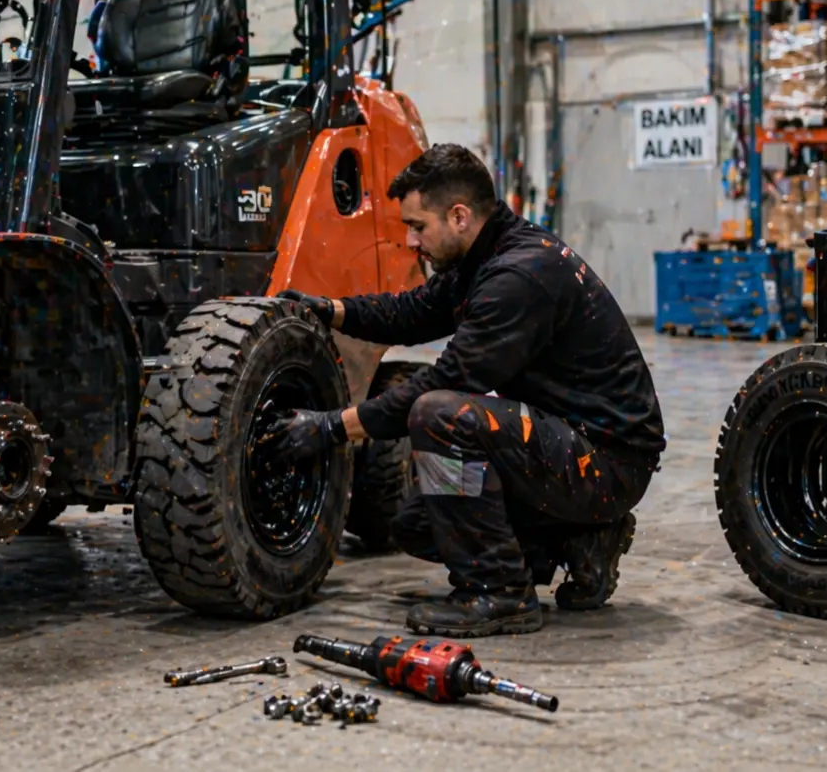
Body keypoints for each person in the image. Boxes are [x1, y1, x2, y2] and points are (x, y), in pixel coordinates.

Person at [265, 143, 666, 637]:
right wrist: (330, 309)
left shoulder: (518, 276)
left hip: (608, 463)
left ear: (458, 216)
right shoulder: (481, 256)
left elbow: (442, 383)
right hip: (570, 445)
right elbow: (410, 313)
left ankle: (501, 594)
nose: (411, 242)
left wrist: (332, 427)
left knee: (439, 413)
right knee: (421, 524)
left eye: (417, 226)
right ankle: (578, 542)